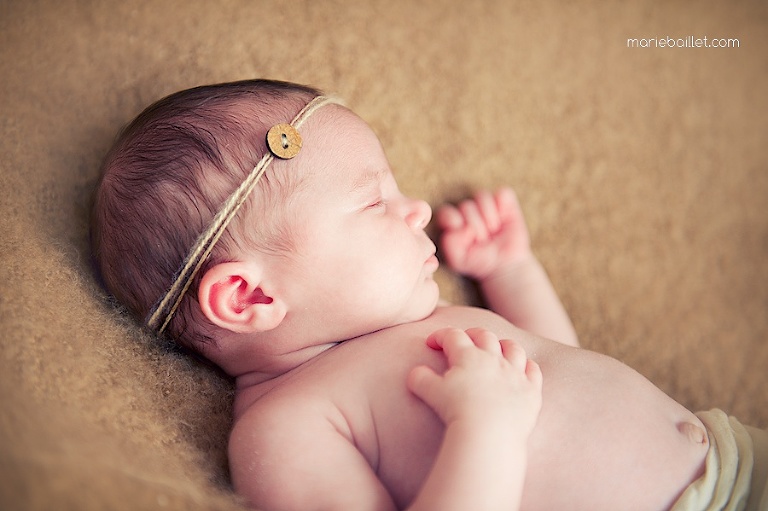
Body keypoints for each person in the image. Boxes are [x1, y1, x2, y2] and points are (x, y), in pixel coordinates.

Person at [91, 79, 767, 511]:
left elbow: (555, 360)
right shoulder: (287, 427)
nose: (414, 208)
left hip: (739, 453)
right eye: (372, 201)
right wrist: (486, 430)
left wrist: (513, 270)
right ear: (246, 297)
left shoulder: (415, 318)